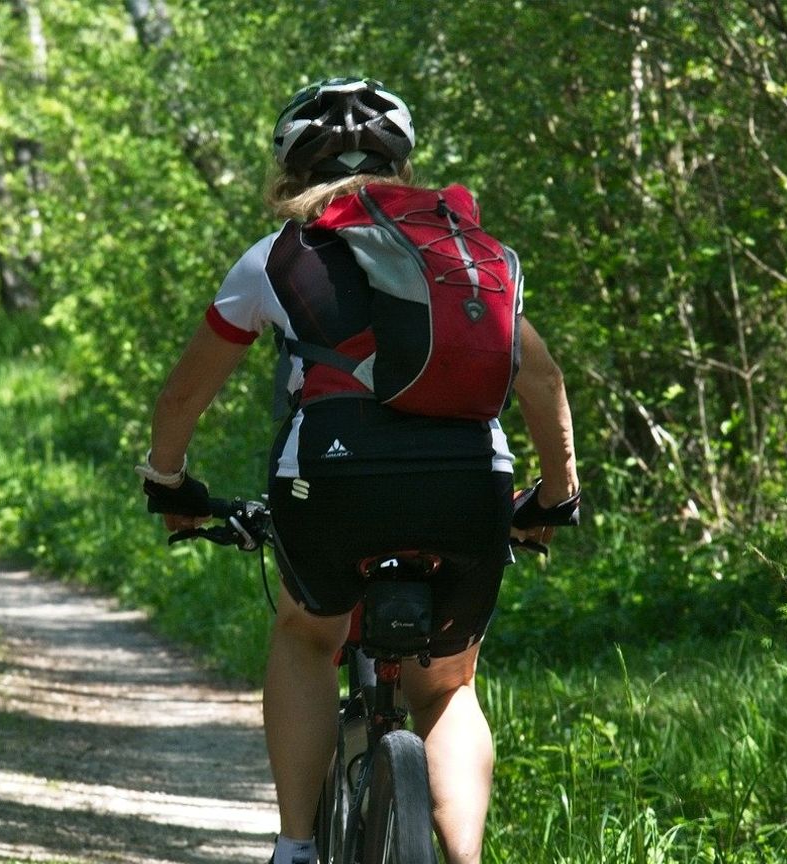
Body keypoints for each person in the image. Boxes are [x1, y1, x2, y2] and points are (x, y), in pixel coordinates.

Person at [137, 78, 579, 864]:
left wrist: (168, 484)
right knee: (446, 687)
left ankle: (296, 847)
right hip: (472, 478)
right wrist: (555, 497)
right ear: (402, 162)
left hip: (333, 481)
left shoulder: (276, 255)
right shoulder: (465, 256)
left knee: (308, 636)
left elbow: (181, 397)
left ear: (290, 167)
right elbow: (542, 382)